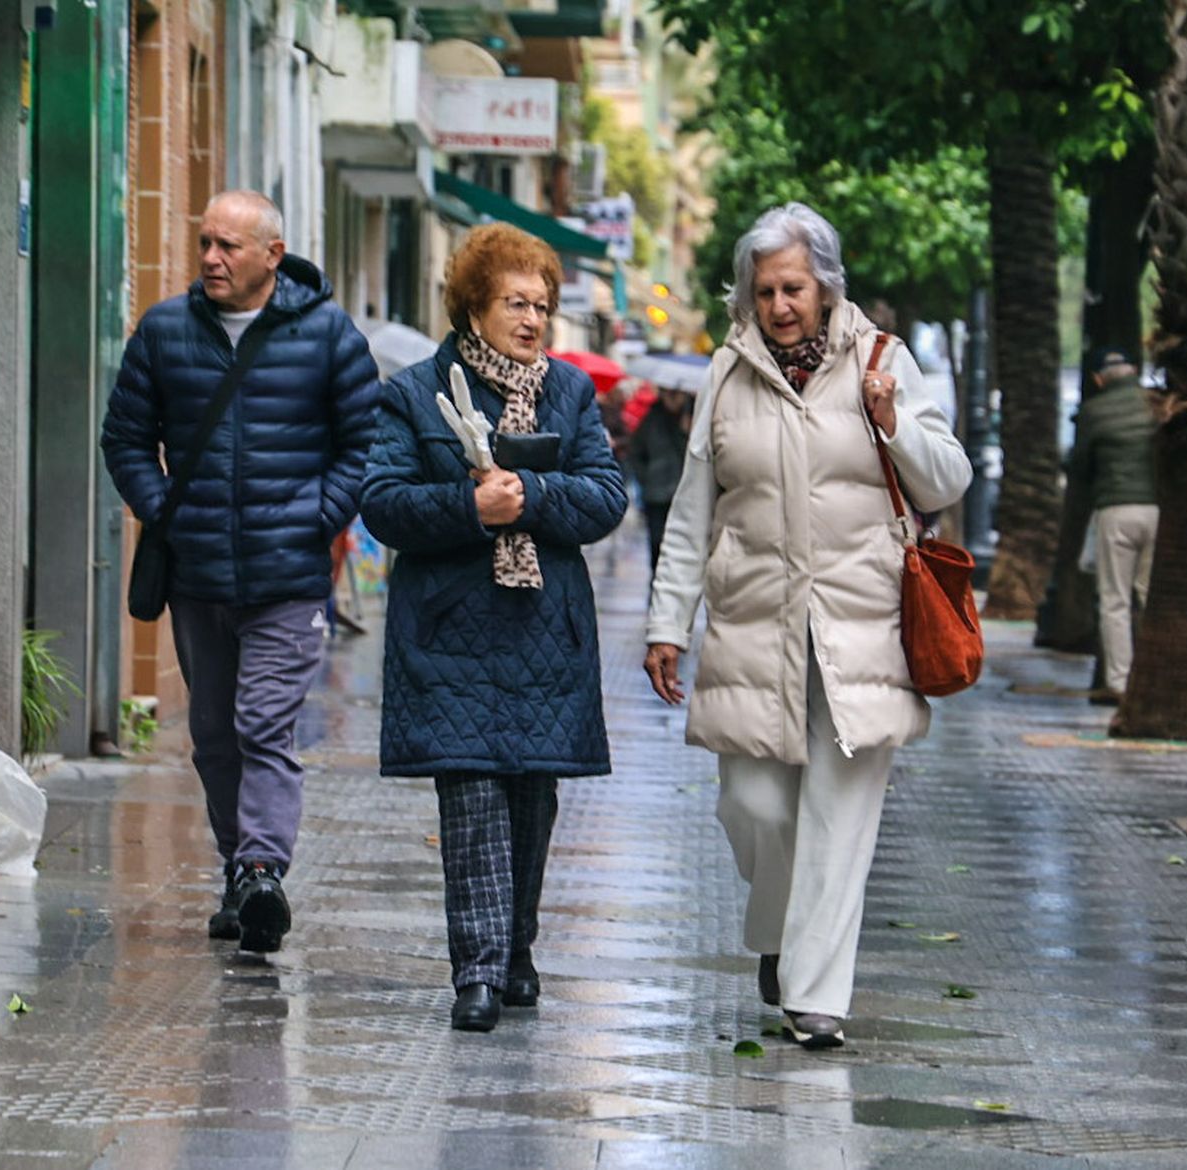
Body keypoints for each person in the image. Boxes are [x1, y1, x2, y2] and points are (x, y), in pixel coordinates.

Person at [643, 203, 971, 1050]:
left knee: (839, 819)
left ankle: (816, 995)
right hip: (754, 624)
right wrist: (666, 622)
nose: (780, 305)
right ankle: (781, 934)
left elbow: (948, 480)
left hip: (863, 629)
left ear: (825, 286)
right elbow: (692, 511)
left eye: (793, 288)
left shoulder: (884, 361)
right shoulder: (727, 375)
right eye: (765, 291)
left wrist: (893, 424)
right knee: (754, 806)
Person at [360, 223, 627, 1033]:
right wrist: (469, 506)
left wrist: (532, 496)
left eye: (541, 305)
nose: (532, 319)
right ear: (473, 307)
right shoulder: (414, 393)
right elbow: (383, 501)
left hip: (546, 631)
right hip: (452, 633)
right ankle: (476, 970)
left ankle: (515, 952)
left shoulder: (569, 393)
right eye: (516, 303)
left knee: (531, 796)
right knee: (472, 790)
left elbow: (605, 496)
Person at [100, 190, 380, 953]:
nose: (211, 258)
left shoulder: (328, 334)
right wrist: (166, 511)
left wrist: (317, 516)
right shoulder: (165, 330)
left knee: (263, 723)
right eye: (205, 242)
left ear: (272, 255)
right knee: (214, 735)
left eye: (228, 245)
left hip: (289, 576)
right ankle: (240, 874)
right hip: (197, 575)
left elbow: (365, 445)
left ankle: (262, 867)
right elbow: (125, 438)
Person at [1069, 349, 1158, 705]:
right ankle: (1153, 679)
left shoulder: (1095, 411)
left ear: (1099, 380)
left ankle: (1120, 682)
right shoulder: (1156, 404)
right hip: (1157, 508)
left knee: (1114, 600)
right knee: (1151, 597)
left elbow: (1080, 464)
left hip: (1115, 509)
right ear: (1134, 371)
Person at [628, 384, 693, 572]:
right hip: (656, 492)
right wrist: (646, 478)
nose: (673, 398)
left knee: (682, 544)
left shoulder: (690, 417)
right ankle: (656, 580)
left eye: (676, 394)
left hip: (683, 492)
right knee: (656, 541)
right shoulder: (651, 419)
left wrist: (685, 432)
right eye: (669, 393)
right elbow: (636, 451)